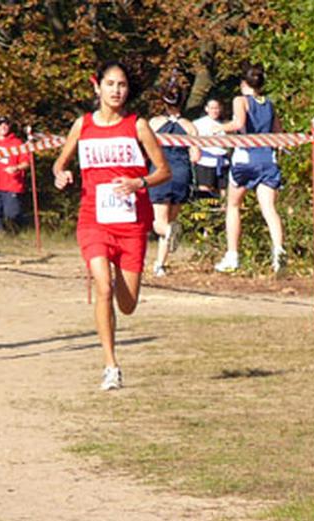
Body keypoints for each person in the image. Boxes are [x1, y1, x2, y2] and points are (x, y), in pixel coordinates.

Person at [52, 61, 170, 391]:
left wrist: (140, 182)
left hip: (131, 223)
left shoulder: (138, 126)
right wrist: (61, 174)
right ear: (97, 87)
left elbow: (163, 171)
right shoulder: (82, 125)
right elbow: (60, 163)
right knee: (102, 287)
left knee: (127, 305)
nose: (116, 90)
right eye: (110, 84)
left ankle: (121, 275)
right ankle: (110, 365)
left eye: (121, 85)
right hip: (94, 220)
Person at [213, 63, 286, 274]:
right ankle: (279, 254)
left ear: (243, 83)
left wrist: (219, 128)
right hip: (267, 159)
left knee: (233, 205)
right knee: (269, 209)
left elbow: (238, 123)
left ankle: (232, 255)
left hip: (245, 158)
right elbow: (278, 132)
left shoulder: (240, 100)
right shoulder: (269, 103)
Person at [148, 83, 199, 277]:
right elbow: (196, 156)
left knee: (159, 223)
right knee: (171, 220)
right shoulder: (189, 127)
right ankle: (160, 264)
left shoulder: (154, 123)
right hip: (181, 174)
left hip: (160, 173)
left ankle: (169, 234)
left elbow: (146, 148)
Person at [192, 99, 228, 198]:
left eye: (217, 108)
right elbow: (193, 142)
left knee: (224, 190)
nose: (215, 111)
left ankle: (223, 209)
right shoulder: (198, 123)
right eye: (212, 108)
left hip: (222, 162)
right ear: (207, 109)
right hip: (205, 161)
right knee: (205, 190)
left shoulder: (225, 125)